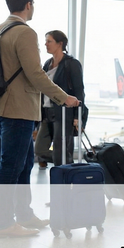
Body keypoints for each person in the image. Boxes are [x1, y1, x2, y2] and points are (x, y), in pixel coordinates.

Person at [0, 0, 80, 238]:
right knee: (11, 166)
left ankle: (24, 214)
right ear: (28, 5)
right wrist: (64, 98)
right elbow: (35, 74)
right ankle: (4, 223)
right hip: (18, 110)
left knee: (23, 164)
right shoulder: (24, 32)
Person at [34, 30, 85, 169]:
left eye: (49, 41)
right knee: (39, 149)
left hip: (63, 114)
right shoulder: (47, 64)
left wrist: (77, 116)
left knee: (60, 150)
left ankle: (63, 171)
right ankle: (67, 163)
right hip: (46, 113)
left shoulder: (71, 64)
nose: (45, 44)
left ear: (60, 43)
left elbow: (79, 91)